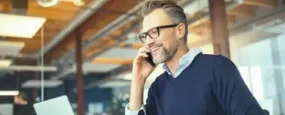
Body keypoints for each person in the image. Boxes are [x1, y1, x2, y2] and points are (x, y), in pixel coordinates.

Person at [125, 0, 266, 115]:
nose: (148, 42)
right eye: (144, 36)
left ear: (179, 30)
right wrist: (138, 80)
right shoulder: (157, 88)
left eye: (154, 32)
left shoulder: (218, 68)